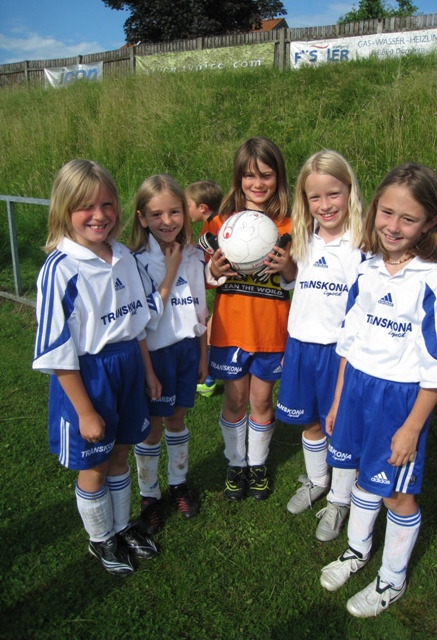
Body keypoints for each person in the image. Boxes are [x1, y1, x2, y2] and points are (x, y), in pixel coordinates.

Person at [320, 163, 437, 617]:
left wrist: (411, 428)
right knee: (360, 473)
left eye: (408, 218)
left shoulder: (436, 280)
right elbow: (349, 343)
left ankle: (392, 579)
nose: (394, 226)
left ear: (431, 222)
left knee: (395, 492)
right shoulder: (367, 269)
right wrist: (339, 400)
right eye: (387, 213)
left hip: (398, 401)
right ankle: (357, 550)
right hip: (356, 391)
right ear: (374, 210)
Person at [32, 159, 161, 577]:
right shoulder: (60, 269)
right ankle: (100, 537)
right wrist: (85, 411)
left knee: (121, 453)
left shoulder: (123, 256)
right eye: (86, 206)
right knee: (95, 465)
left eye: (107, 204)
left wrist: (148, 373)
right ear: (64, 209)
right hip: (88, 376)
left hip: (128, 367)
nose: (99, 215)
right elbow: (56, 350)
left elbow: (137, 324)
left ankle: (121, 527)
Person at [276, 150, 364, 541]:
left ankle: (340, 500)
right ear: (305, 200)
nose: (325, 205)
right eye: (315, 197)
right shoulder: (303, 238)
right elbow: (299, 282)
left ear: (349, 192)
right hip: (300, 346)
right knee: (310, 420)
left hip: (338, 353)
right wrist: (287, 268)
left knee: (340, 427)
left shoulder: (361, 245)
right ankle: (316, 480)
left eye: (333, 194)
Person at [201, 137, 294, 501]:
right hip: (230, 332)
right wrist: (213, 269)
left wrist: (289, 268)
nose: (258, 183)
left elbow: (298, 281)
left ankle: (257, 464)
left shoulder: (291, 225)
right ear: (238, 178)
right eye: (249, 175)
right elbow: (202, 279)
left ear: (279, 177)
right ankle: (235, 462)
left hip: (270, 332)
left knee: (261, 402)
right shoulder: (219, 224)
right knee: (234, 401)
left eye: (266, 175)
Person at [130, 174, 208, 533]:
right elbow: (142, 323)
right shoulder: (135, 262)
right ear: (142, 218)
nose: (167, 221)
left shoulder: (193, 255)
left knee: (176, 420)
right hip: (155, 356)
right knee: (151, 429)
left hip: (187, 352)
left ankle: (178, 482)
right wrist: (148, 371)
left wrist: (203, 355)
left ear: (185, 213)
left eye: (174, 212)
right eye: (156, 214)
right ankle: (149, 495)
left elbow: (200, 311)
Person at [185, 179, 223, 398]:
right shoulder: (216, 222)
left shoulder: (215, 225)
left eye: (188, 205)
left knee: (209, 327)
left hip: (224, 286)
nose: (186, 210)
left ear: (202, 207)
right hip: (220, 286)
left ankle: (208, 379)